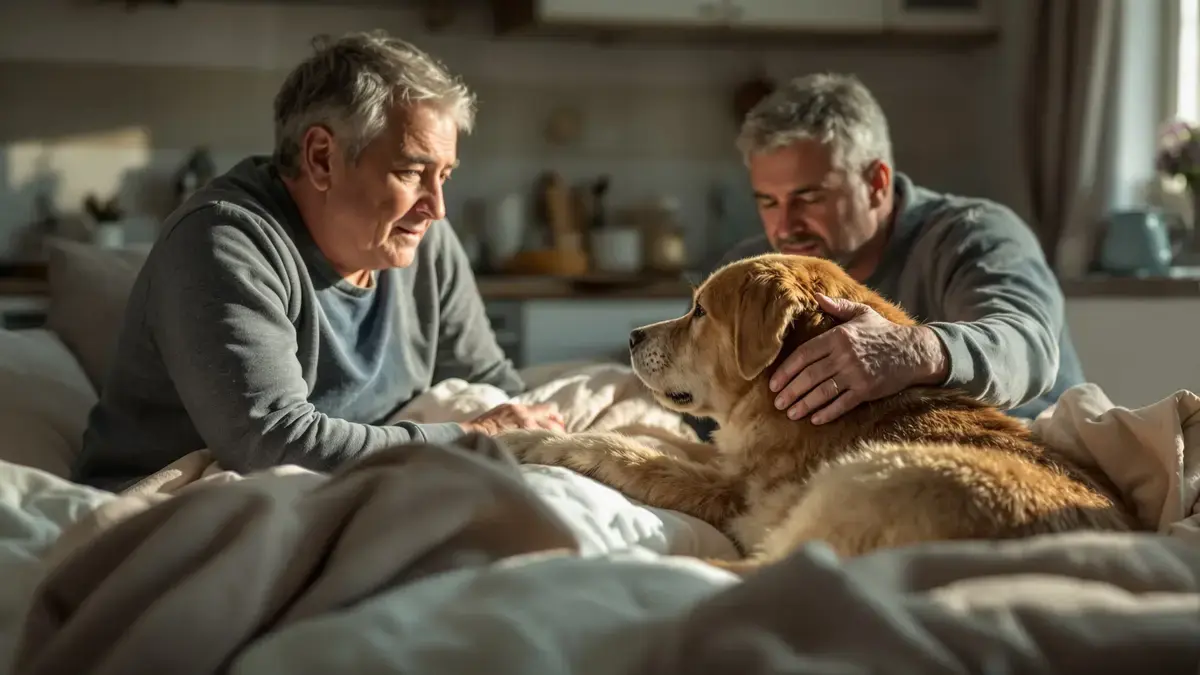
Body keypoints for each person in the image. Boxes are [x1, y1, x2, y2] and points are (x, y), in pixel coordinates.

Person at [72, 32, 563, 491]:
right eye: (411, 172)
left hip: (349, 492)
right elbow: (271, 444)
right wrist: (466, 437)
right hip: (177, 509)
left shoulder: (425, 239)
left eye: (445, 176)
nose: (436, 206)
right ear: (322, 158)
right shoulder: (222, 239)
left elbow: (493, 388)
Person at [712, 72, 1083, 427]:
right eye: (768, 202)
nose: (785, 227)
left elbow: (1028, 349)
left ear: (876, 183)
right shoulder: (753, 273)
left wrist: (913, 351)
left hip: (1032, 459)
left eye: (809, 198)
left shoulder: (975, 235)